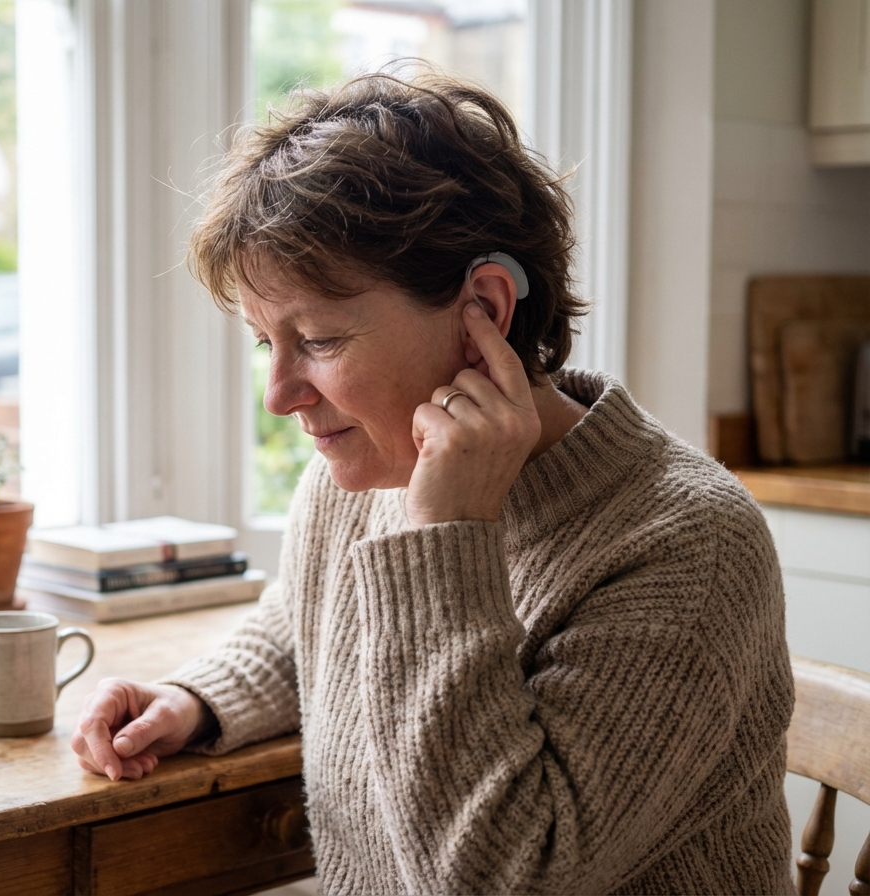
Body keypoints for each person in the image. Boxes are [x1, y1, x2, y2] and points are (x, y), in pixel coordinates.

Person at [71, 72, 795, 895]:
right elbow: (308, 624)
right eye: (264, 343)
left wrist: (447, 538)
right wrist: (196, 698)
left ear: (483, 309)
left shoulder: (689, 548)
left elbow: (496, 877)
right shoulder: (366, 471)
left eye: (319, 338)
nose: (278, 395)